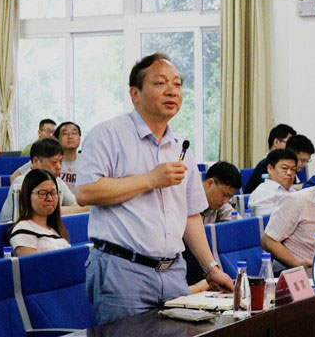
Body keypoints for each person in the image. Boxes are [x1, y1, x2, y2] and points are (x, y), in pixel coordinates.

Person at [75, 52, 234, 324]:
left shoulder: (180, 147)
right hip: (123, 270)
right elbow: (85, 192)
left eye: (177, 84)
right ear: (134, 93)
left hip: (173, 272)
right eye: (160, 83)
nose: (172, 90)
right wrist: (150, 179)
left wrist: (211, 268)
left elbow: (190, 215)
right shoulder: (108, 134)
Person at [185, 161, 242, 293]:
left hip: (205, 269)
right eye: (225, 195)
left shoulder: (219, 205)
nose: (225, 201)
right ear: (210, 183)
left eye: (229, 197)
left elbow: (239, 225)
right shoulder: (186, 200)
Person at [0, 138, 85, 223]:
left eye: (61, 161)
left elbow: (80, 205)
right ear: (36, 161)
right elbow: (42, 213)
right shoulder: (22, 182)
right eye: (54, 162)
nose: (59, 167)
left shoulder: (57, 181)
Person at [6, 169, 71, 256]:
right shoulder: (23, 229)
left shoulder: (56, 229)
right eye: (42, 193)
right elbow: (32, 263)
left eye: (53, 193)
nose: (50, 198)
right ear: (28, 196)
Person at [243, 124, 297, 194]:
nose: (292, 148)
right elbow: (271, 191)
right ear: (276, 142)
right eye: (289, 143)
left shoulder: (292, 163)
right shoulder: (264, 165)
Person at [249, 149, 298, 216]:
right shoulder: (262, 193)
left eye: (293, 169)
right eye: (284, 168)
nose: (289, 173)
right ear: (270, 169)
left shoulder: (292, 189)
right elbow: (270, 220)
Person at [54, 121, 81, 193]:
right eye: (65, 133)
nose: (70, 137)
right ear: (57, 139)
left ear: (79, 138)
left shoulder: (87, 161)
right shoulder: (47, 159)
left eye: (74, 133)